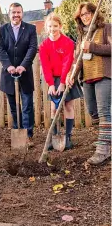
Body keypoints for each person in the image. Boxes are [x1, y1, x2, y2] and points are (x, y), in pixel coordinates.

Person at [67, 2, 111, 165]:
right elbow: (78, 60)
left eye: (87, 13)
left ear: (94, 13)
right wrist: (72, 74)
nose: (85, 17)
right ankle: (106, 138)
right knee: (93, 112)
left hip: (104, 75)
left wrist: (91, 46)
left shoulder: (106, 27)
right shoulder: (81, 36)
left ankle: (103, 150)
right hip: (87, 78)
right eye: (82, 15)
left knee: (104, 111)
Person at [39, 13, 83, 150]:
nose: (53, 29)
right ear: (47, 27)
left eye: (56, 26)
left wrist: (63, 82)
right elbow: (45, 66)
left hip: (67, 76)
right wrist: (51, 84)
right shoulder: (44, 45)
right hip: (53, 79)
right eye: (50, 26)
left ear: (60, 26)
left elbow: (67, 63)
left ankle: (68, 137)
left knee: (68, 106)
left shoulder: (68, 43)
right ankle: (55, 136)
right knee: (53, 108)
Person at [0, 2, 38, 145]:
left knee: (27, 106)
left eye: (18, 12)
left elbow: (32, 48)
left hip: (24, 74)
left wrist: (23, 66)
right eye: (13, 12)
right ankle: (17, 132)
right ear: (9, 14)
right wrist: (8, 66)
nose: (16, 15)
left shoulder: (31, 29)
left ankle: (28, 135)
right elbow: (0, 49)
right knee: (14, 107)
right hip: (9, 74)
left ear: (22, 13)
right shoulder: (2, 30)